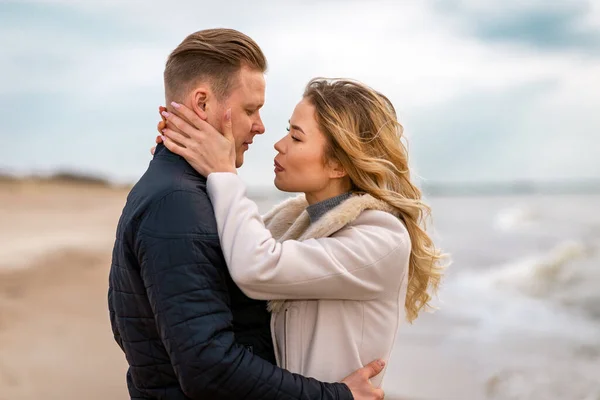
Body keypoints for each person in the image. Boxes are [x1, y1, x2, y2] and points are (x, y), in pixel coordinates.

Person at [108, 29, 386, 400]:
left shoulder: (188, 193)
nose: (261, 127)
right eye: (250, 109)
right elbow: (209, 368)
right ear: (202, 104)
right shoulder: (176, 202)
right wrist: (336, 396)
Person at [154, 78, 446, 388]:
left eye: (296, 136)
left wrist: (223, 173)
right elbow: (224, 250)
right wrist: (183, 167)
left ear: (337, 164)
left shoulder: (381, 238)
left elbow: (257, 266)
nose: (279, 144)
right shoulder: (292, 221)